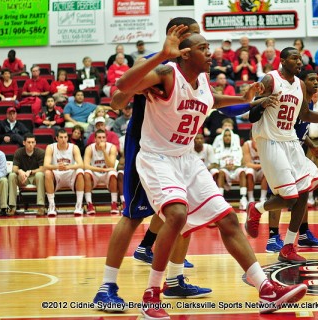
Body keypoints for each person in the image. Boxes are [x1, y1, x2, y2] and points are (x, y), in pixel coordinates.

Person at [109, 26, 307, 319]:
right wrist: (164, 54)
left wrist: (245, 98)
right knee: (175, 214)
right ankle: (151, 296)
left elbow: (213, 101)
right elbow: (123, 86)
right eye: (203, 48)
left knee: (227, 219)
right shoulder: (166, 73)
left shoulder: (201, 81)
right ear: (186, 54)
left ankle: (265, 288)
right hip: (157, 159)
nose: (211, 54)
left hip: (186, 159)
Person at [93, 17, 253, 313]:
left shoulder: (198, 72)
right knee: (132, 216)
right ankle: (107, 286)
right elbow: (117, 99)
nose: (201, 46)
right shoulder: (159, 64)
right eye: (193, 37)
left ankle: (175, 277)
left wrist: (243, 101)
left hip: (179, 150)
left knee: (182, 212)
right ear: (176, 37)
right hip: (150, 145)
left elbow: (208, 98)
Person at [246, 47, 318, 264]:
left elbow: (305, 115)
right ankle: (256, 209)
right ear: (282, 60)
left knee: (304, 191)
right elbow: (252, 114)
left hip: (291, 140)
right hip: (270, 140)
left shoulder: (300, 85)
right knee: (289, 196)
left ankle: (288, 247)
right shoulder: (270, 79)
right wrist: (263, 102)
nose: (299, 61)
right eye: (294, 58)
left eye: (300, 58)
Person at [43, 129, 85, 216]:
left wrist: (68, 167)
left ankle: (79, 205)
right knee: (47, 173)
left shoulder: (74, 147)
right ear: (56, 138)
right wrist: (57, 167)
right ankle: (52, 206)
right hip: (57, 174)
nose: (63, 139)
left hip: (70, 174)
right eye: (61, 137)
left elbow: (81, 164)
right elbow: (46, 165)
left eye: (65, 137)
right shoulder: (50, 147)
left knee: (80, 171)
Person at [8, 133, 46, 216]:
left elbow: (43, 168)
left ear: (35, 143)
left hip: (35, 177)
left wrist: (30, 172)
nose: (31, 144)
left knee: (40, 175)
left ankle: (41, 206)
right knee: (12, 175)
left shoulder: (41, 152)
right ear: (24, 143)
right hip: (22, 178)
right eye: (29, 142)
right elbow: (14, 168)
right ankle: (12, 206)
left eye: (33, 142)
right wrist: (20, 171)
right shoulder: (18, 152)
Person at [83, 129, 119, 214]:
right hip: (95, 173)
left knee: (113, 173)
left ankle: (114, 203)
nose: (101, 139)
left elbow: (111, 165)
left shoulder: (112, 147)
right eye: (99, 137)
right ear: (95, 139)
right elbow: (86, 166)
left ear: (106, 138)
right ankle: (89, 204)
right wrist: (102, 169)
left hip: (107, 174)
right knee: (86, 173)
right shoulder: (89, 148)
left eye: (103, 137)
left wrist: (104, 151)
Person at [214, 128, 247, 210]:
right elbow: (215, 164)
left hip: (236, 170)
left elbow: (243, 164)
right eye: (225, 135)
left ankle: (243, 198)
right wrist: (224, 167)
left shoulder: (238, 148)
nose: (227, 137)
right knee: (221, 172)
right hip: (224, 171)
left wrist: (235, 167)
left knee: (242, 171)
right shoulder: (218, 150)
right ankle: (220, 199)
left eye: (229, 135)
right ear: (222, 138)